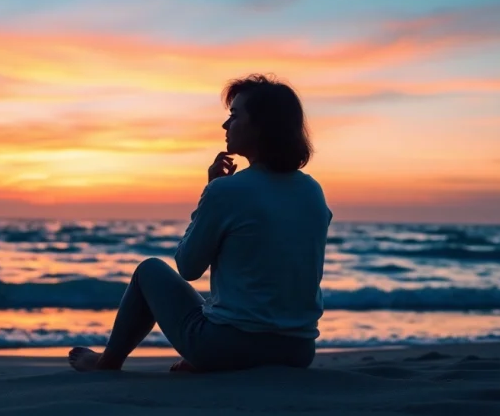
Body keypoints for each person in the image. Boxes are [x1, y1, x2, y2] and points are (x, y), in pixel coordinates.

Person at [68, 73, 332, 373]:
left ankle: (107, 363)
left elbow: (188, 267)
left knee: (149, 271)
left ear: (261, 126)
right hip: (298, 351)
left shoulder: (227, 190)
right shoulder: (312, 190)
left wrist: (210, 193)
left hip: (229, 348)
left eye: (234, 116)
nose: (225, 125)